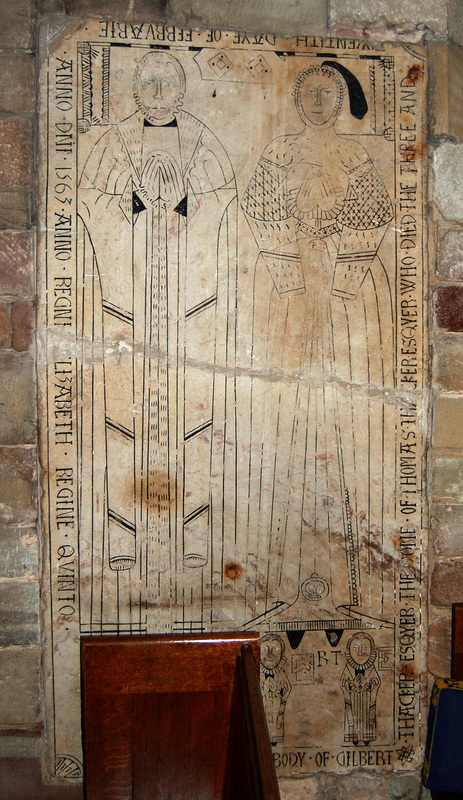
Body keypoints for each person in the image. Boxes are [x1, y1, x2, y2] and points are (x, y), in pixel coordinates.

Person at [77, 51, 238, 632]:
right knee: (126, 422)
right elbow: (91, 200)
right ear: (136, 88)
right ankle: (123, 549)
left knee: (193, 424)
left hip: (184, 307)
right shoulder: (114, 144)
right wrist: (140, 206)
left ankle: (192, 546)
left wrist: (183, 205)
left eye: (169, 82)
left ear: (183, 88)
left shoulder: (201, 142)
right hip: (132, 306)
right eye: (147, 82)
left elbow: (224, 199)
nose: (158, 90)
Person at [242, 62, 395, 639]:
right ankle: (282, 586)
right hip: (293, 304)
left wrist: (341, 281)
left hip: (338, 307)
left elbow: (373, 219)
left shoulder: (356, 160)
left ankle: (350, 587)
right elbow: (260, 213)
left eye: (328, 94)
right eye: (308, 94)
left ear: (339, 102)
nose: (318, 102)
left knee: (341, 442)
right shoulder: (279, 154)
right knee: (287, 440)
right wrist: (291, 276)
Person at [340, 632, 381, 745]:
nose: (360, 652)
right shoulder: (348, 669)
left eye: (365, 648)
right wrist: (350, 688)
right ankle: (354, 738)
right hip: (353, 702)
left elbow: (377, 684)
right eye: (356, 648)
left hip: (367, 703)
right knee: (353, 723)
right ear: (350, 651)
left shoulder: (371, 669)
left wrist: (370, 688)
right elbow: (343, 685)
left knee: (367, 723)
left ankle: (367, 739)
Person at [260, 633, 292, 744]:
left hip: (276, 706)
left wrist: (282, 707)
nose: (270, 655)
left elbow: (287, 690)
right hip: (262, 705)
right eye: (265, 649)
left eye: (275, 650)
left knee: (276, 729)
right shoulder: (257, 673)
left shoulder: (281, 675)